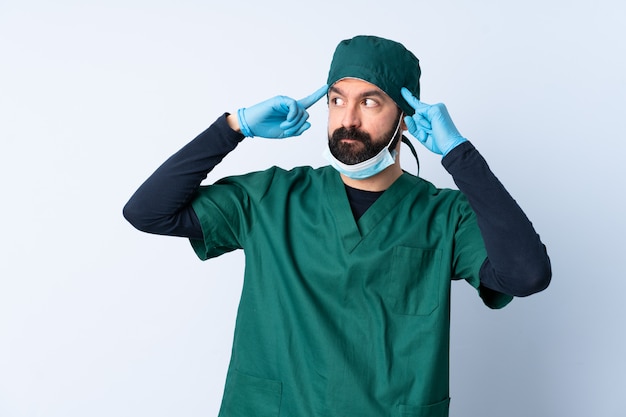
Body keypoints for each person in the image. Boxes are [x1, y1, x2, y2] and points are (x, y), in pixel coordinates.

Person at [123, 35, 551, 417]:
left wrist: (459, 154)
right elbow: (148, 211)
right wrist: (235, 127)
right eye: (337, 100)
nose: (348, 119)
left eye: (370, 102)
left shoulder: (445, 216)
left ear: (404, 118)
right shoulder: (271, 197)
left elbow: (527, 274)